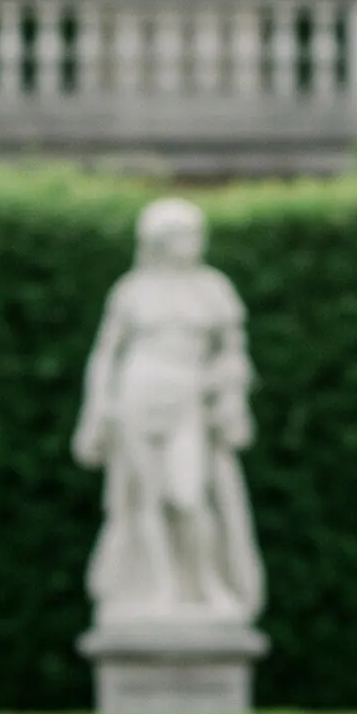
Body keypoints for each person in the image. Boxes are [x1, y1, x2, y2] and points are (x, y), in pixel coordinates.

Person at [73, 198, 265, 626]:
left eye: (195, 234)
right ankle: (162, 590)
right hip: (137, 396)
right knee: (147, 500)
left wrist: (231, 397)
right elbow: (106, 354)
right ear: (159, 241)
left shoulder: (213, 289)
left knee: (189, 497)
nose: (193, 243)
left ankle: (205, 586)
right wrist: (96, 410)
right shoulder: (132, 290)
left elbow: (233, 354)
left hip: (187, 399)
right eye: (183, 235)